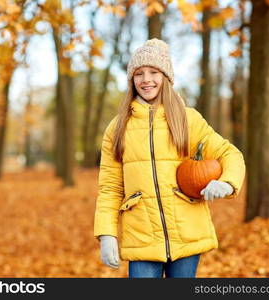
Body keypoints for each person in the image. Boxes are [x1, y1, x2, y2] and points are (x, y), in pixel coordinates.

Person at [93, 38, 246, 278]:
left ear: (166, 77)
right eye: (139, 73)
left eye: (154, 72)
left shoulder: (188, 119)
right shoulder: (118, 127)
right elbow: (110, 188)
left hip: (186, 232)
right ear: (131, 80)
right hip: (142, 237)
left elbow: (230, 154)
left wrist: (226, 183)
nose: (146, 80)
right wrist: (107, 235)